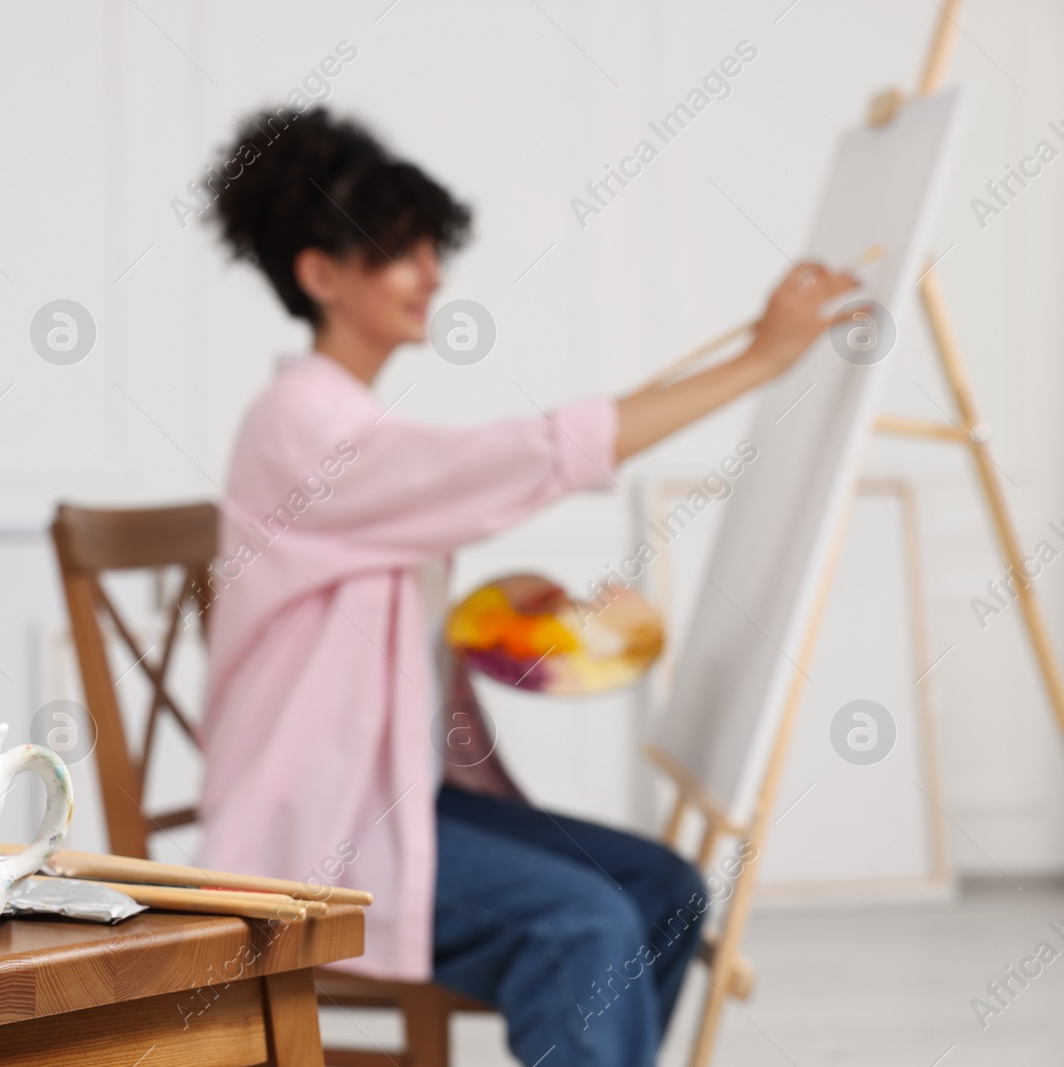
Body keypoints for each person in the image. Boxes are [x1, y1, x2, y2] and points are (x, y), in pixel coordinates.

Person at [196, 108, 855, 1067]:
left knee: (665, 889)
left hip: (396, 789)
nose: (432, 275)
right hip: (315, 824)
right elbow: (516, 459)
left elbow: (377, 615)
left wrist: (511, 619)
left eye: (433, 250)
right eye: (401, 254)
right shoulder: (298, 424)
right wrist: (759, 360)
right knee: (584, 923)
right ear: (320, 273)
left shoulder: (345, 422)